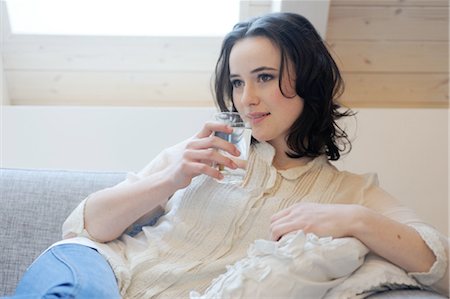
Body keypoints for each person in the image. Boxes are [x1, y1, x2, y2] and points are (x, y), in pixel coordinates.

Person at [5, 12, 448, 299]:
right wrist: (172, 177)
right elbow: (85, 227)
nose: (246, 98)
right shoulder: (201, 150)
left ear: (309, 81)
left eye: (264, 77)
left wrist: (356, 219)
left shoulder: (350, 192)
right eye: (237, 82)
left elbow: (439, 267)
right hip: (97, 272)